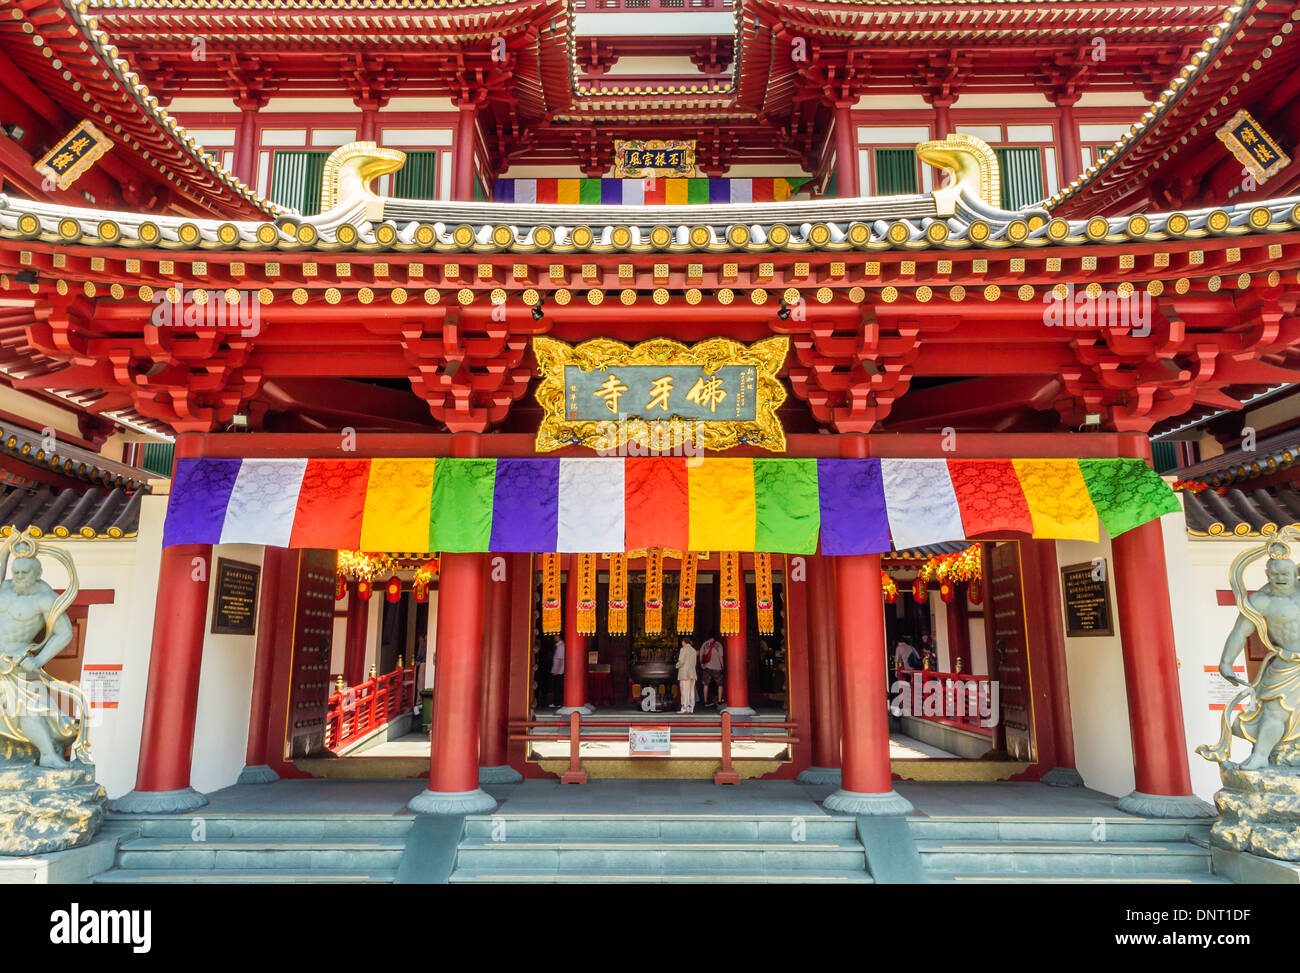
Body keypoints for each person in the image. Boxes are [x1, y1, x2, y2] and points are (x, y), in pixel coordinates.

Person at [699, 632, 724, 707]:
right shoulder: (719, 645)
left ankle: (706, 701)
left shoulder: (704, 644)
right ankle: (719, 701)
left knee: (706, 684)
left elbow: (700, 655)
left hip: (707, 667)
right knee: (720, 684)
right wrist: (723, 665)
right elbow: (721, 657)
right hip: (717, 667)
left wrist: (701, 664)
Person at [676, 636, 698, 714]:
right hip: (692, 673)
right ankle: (691, 708)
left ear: (684, 642)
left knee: (684, 691)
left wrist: (677, 665)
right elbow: (694, 663)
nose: (682, 643)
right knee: (691, 691)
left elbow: (681, 661)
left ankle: (684, 708)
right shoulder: (694, 650)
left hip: (685, 673)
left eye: (682, 642)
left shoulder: (683, 649)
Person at [550, 635, 565, 708]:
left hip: (559, 671)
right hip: (558, 670)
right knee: (557, 686)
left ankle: (557, 703)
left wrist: (557, 670)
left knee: (557, 687)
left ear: (559, 637)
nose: (554, 637)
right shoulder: (559, 646)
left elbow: (560, 659)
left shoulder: (561, 646)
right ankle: (557, 702)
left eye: (556, 636)